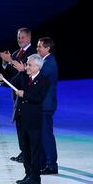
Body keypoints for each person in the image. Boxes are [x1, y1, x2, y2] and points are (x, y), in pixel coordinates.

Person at [0, 54, 50, 184]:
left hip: (33, 121)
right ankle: (28, 174)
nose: (26, 66)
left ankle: (35, 177)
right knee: (25, 149)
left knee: (34, 150)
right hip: (22, 119)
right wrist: (2, 80)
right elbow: (10, 83)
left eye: (29, 65)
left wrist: (24, 94)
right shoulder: (23, 76)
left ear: (37, 67)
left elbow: (38, 98)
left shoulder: (44, 80)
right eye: (26, 64)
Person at [0, 27, 36, 163]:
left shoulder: (33, 53)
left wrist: (10, 61)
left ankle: (30, 153)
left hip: (27, 94)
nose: (20, 40)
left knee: (27, 125)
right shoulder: (15, 53)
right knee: (20, 124)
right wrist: (5, 62)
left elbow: (25, 71)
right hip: (16, 94)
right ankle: (24, 151)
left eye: (23, 37)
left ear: (29, 38)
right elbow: (10, 73)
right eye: (18, 37)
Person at [36, 37, 59, 175]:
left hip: (46, 104)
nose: (37, 48)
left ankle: (52, 165)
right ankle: (45, 162)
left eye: (40, 46)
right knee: (43, 134)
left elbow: (37, 78)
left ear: (47, 48)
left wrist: (25, 69)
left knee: (46, 135)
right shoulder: (45, 61)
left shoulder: (49, 63)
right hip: (43, 104)